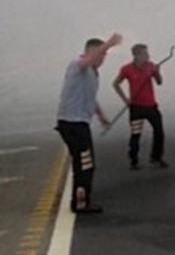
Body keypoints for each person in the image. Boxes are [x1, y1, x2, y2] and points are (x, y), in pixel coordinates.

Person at [56, 33, 123, 214]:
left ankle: (81, 199)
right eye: (100, 55)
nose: (102, 59)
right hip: (72, 124)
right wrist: (109, 43)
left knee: (84, 163)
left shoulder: (92, 74)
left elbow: (90, 99)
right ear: (90, 52)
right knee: (85, 164)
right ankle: (80, 203)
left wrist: (101, 116)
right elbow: (87, 60)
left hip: (78, 124)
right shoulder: (77, 65)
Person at [112, 44, 168, 170]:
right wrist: (125, 100)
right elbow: (115, 84)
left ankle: (156, 158)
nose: (148, 56)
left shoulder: (151, 66)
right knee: (136, 134)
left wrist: (157, 72)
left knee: (159, 131)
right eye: (144, 54)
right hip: (136, 107)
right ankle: (134, 160)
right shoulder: (126, 69)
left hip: (151, 106)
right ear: (136, 56)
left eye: (147, 54)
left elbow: (159, 82)